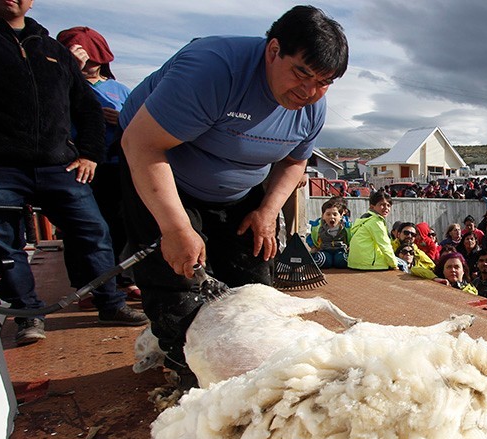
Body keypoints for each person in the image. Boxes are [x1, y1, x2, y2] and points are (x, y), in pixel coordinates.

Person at [117, 6, 347, 382]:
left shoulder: (312, 108)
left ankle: (250, 365)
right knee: (179, 282)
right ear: (273, 50)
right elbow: (141, 144)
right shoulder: (213, 70)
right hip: (165, 175)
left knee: (255, 281)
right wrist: (175, 228)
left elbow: (294, 163)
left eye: (324, 82)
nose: (310, 92)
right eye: (302, 73)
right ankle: (185, 364)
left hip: (241, 188)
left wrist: (268, 211)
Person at [0, 0, 148, 346]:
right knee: (4, 243)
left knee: (93, 231)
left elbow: (86, 107)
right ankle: (27, 314)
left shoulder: (52, 51)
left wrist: (90, 154)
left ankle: (110, 303)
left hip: (58, 163)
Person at [56, 26, 141, 301]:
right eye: (84, 59)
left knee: (121, 223)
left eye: (94, 59)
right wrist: (69, 71)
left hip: (116, 165)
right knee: (82, 227)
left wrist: (123, 121)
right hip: (75, 166)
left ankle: (124, 279)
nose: (90, 66)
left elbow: (143, 125)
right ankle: (89, 286)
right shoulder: (60, 84)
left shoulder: (120, 90)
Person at [347, 191, 398, 271]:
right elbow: (384, 245)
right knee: (403, 264)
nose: (386, 208)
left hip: (355, 263)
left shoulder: (365, 218)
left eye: (388, 205)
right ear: (372, 206)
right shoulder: (376, 222)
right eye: (382, 205)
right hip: (370, 264)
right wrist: (394, 265)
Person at [306, 196, 349, 268]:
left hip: (340, 249)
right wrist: (313, 247)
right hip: (325, 249)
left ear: (341, 215)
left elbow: (353, 236)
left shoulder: (347, 226)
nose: (332, 217)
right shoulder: (318, 226)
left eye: (335, 214)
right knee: (323, 261)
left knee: (341, 261)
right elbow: (310, 237)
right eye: (328, 214)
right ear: (323, 216)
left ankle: (336, 261)